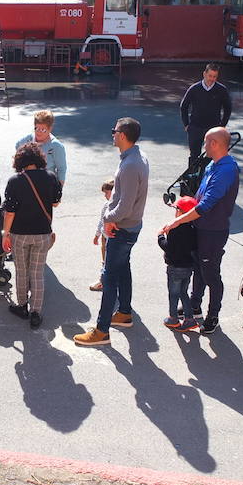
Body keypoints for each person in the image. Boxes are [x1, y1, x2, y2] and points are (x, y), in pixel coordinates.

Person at [74, 117, 149, 347]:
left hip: (122, 229)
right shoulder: (137, 157)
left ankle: (101, 330)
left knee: (109, 277)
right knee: (123, 269)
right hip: (130, 226)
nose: (112, 134)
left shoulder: (129, 165)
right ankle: (124, 313)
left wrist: (108, 218)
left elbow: (124, 205)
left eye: (114, 131)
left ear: (123, 136)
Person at [160, 127, 240, 335]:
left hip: (213, 231)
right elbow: (198, 197)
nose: (203, 146)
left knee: (211, 273)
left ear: (214, 143)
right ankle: (195, 305)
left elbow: (205, 206)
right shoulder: (213, 165)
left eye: (206, 142)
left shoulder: (226, 170)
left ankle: (213, 315)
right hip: (201, 228)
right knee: (198, 268)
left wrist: (177, 223)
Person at [2, 142, 63, 329]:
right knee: (37, 273)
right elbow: (55, 203)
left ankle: (22, 306)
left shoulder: (15, 181)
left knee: (22, 271)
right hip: (43, 232)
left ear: (20, 160)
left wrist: (6, 234)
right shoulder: (51, 177)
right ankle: (36, 312)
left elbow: (10, 212)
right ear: (39, 159)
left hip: (20, 234)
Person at [157, 196, 199, 332]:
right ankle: (189, 319)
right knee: (183, 292)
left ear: (181, 212)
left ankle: (173, 318)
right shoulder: (193, 229)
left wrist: (160, 236)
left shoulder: (175, 230)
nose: (175, 211)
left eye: (177, 209)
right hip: (188, 267)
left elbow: (168, 247)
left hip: (175, 267)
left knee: (173, 293)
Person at [179, 63, 232, 167]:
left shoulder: (221, 90)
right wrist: (186, 125)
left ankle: (208, 179)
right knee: (194, 156)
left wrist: (222, 126)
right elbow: (183, 106)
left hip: (213, 128)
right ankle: (192, 181)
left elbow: (228, 108)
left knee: (212, 156)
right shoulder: (194, 88)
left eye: (215, 76)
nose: (212, 79)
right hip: (196, 127)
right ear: (204, 74)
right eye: (210, 76)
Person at [14, 110, 68, 185]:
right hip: (26, 183)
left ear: (50, 129)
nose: (38, 132)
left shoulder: (56, 146)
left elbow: (61, 169)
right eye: (36, 128)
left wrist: (59, 190)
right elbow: (17, 146)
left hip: (46, 185)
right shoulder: (28, 139)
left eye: (43, 129)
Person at [90, 179, 114, 292]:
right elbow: (101, 221)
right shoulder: (107, 205)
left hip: (110, 238)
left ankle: (103, 282)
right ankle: (106, 280)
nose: (105, 195)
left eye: (106, 193)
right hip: (105, 237)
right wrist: (97, 235)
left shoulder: (114, 205)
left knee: (108, 261)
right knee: (105, 260)